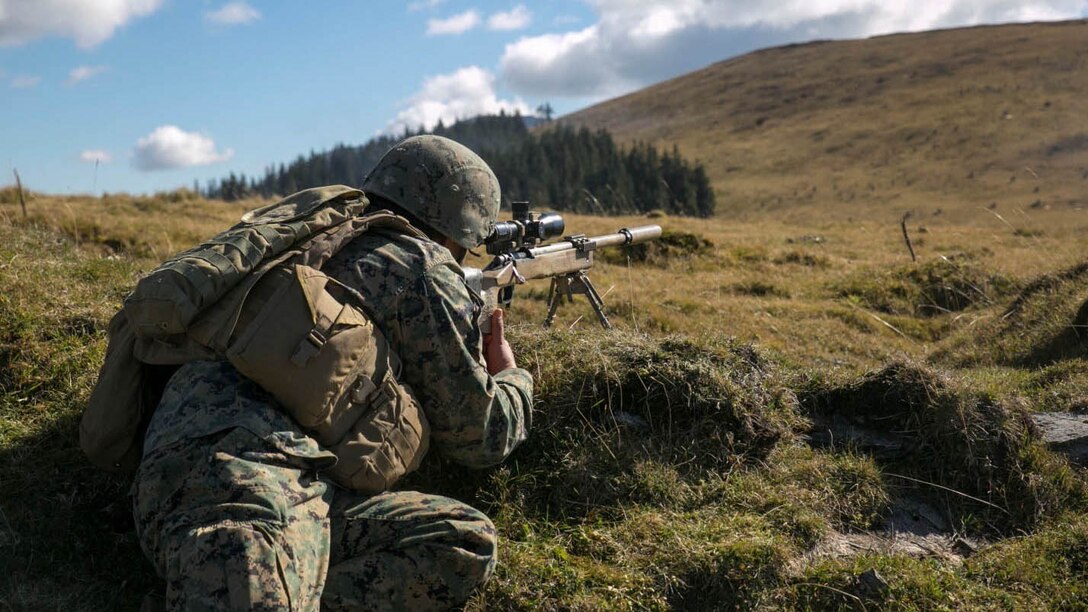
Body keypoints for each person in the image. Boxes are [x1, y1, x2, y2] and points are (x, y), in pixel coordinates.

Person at [132, 135, 534, 610]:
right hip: (252, 496)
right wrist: (512, 378)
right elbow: (479, 436)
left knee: (464, 539)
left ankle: (263, 580)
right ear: (457, 226)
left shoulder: (304, 233)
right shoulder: (421, 269)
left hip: (166, 473)